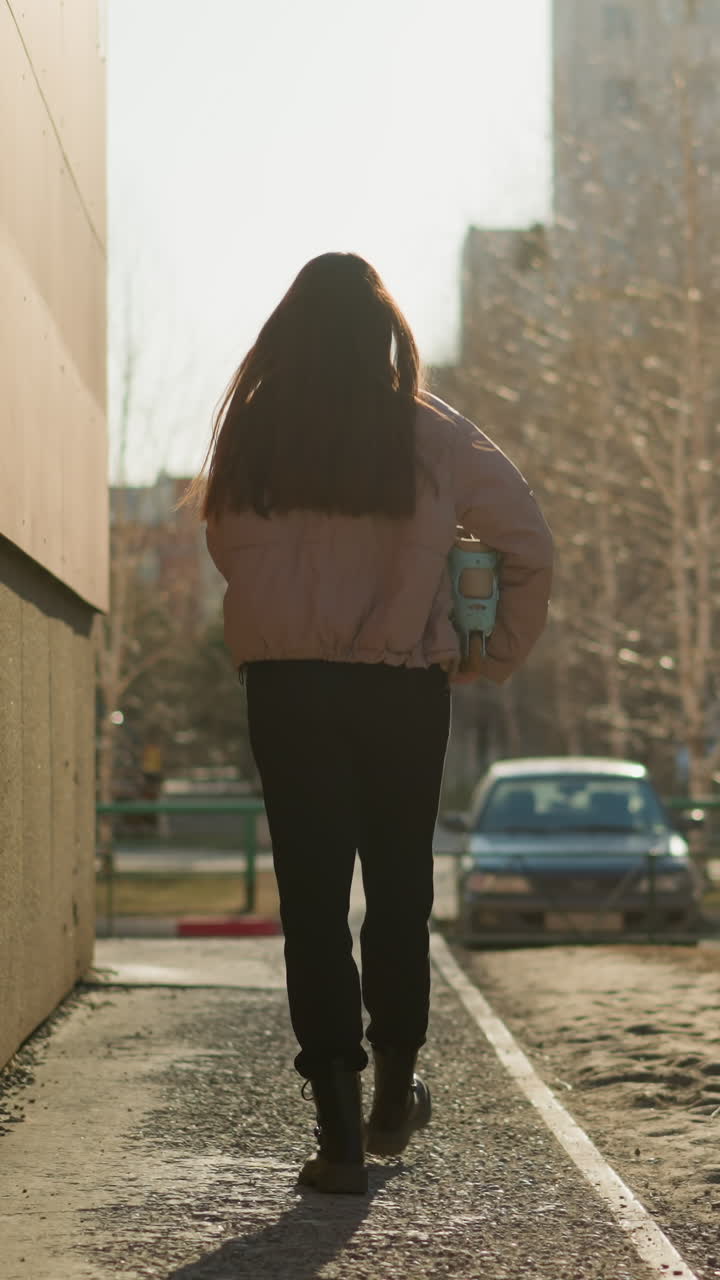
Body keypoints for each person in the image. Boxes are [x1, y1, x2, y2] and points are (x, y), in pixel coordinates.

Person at [186, 251, 553, 1195]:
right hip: (400, 687)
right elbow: (528, 542)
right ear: (384, 331)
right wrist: (491, 653)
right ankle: (396, 1091)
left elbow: (226, 541)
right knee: (398, 888)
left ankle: (339, 1136)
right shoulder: (431, 431)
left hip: (288, 687)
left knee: (311, 900)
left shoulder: (252, 433)